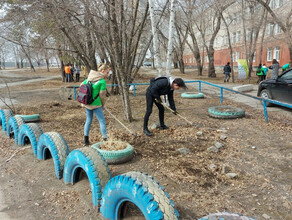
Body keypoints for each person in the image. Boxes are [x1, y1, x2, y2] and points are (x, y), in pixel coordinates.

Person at [81, 64, 111, 146]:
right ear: (102, 71)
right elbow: (102, 95)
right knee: (102, 121)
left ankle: (85, 140)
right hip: (96, 104)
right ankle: (105, 140)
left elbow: (81, 86)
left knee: (88, 120)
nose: (108, 74)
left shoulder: (88, 79)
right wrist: (102, 105)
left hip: (87, 104)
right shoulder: (102, 81)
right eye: (107, 72)